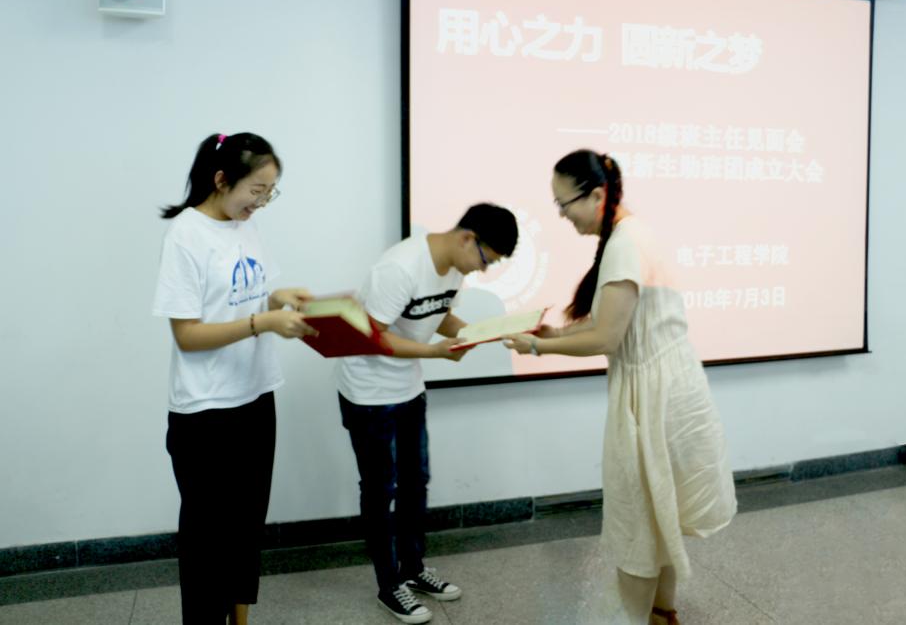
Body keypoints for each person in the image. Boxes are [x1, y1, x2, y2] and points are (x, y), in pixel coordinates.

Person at [503, 150, 737, 625]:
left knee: (638, 524)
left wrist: (538, 347)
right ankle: (661, 614)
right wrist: (556, 334)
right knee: (656, 516)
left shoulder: (625, 243)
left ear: (596, 194)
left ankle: (639, 616)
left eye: (564, 203)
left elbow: (607, 337)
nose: (562, 215)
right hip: (665, 389)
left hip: (652, 398)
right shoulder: (631, 236)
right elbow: (614, 324)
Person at [152, 132, 317, 625]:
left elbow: (245, 297)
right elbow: (188, 335)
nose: (260, 203)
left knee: (246, 529)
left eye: (270, 193)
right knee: (208, 544)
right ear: (222, 179)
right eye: (256, 191)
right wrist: (262, 322)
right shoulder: (185, 235)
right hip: (206, 410)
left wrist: (277, 299)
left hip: (255, 394)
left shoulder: (245, 226)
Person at [334, 204, 518, 624]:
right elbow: (372, 338)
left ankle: (413, 569)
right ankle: (389, 586)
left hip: (408, 388)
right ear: (467, 238)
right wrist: (434, 353)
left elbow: (437, 315)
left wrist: (478, 333)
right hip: (368, 393)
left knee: (415, 482)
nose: (482, 269)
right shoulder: (399, 268)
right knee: (380, 488)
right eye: (486, 259)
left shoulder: (453, 268)